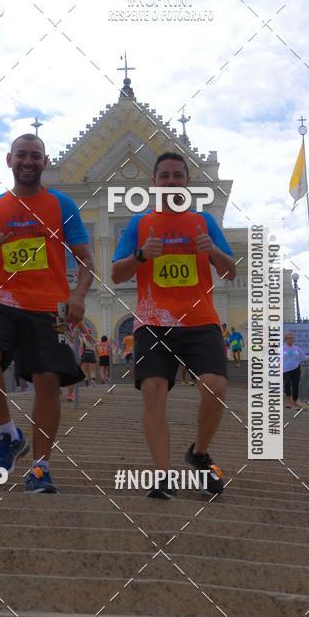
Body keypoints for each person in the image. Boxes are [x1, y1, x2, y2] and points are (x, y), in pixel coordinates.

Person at [0, 133, 93, 493]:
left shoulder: (62, 205)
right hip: (1, 301)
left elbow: (87, 260)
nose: (28, 161)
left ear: (45, 162)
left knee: (48, 380)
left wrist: (79, 295)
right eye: (21, 155)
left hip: (50, 306)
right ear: (9, 160)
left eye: (35, 156)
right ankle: (9, 433)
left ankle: (40, 467)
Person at [112, 151, 236, 500]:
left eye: (177, 176)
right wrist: (139, 256)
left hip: (200, 319)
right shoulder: (139, 225)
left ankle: (198, 452)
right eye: (164, 176)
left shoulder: (204, 222)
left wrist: (212, 250)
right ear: (153, 183)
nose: (170, 182)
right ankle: (163, 476)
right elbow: (116, 274)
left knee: (215, 386)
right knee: (153, 389)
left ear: (187, 182)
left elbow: (230, 271)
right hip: (153, 321)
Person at [283, 332, 307, 409]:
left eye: (292, 338)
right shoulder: (282, 349)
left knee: (295, 385)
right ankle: (289, 402)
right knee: (287, 384)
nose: (291, 339)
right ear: (286, 340)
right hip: (285, 369)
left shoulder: (297, 348)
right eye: (289, 338)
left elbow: (304, 357)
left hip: (296, 368)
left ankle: (294, 403)